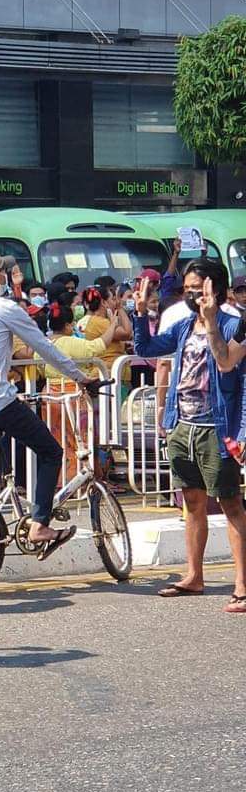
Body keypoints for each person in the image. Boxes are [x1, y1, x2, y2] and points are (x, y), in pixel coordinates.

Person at [0, 249, 96, 551]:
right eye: (3, 272)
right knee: (50, 452)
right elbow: (44, 346)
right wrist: (81, 377)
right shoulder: (3, 307)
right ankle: (40, 525)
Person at [133, 261, 246, 613]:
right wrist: (139, 313)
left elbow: (227, 365)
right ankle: (193, 575)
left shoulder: (234, 325)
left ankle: (242, 585)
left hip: (217, 427)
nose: (193, 295)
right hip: (183, 424)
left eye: (200, 288)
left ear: (220, 290)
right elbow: (147, 349)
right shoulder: (183, 326)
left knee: (229, 504)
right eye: (188, 289)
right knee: (192, 502)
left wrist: (211, 321)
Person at [37, 302, 118, 482]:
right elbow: (98, 346)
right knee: (82, 440)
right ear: (67, 325)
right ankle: (83, 481)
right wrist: (112, 324)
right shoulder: (73, 343)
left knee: (57, 441)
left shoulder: (43, 343)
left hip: (49, 395)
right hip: (73, 395)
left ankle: (61, 481)